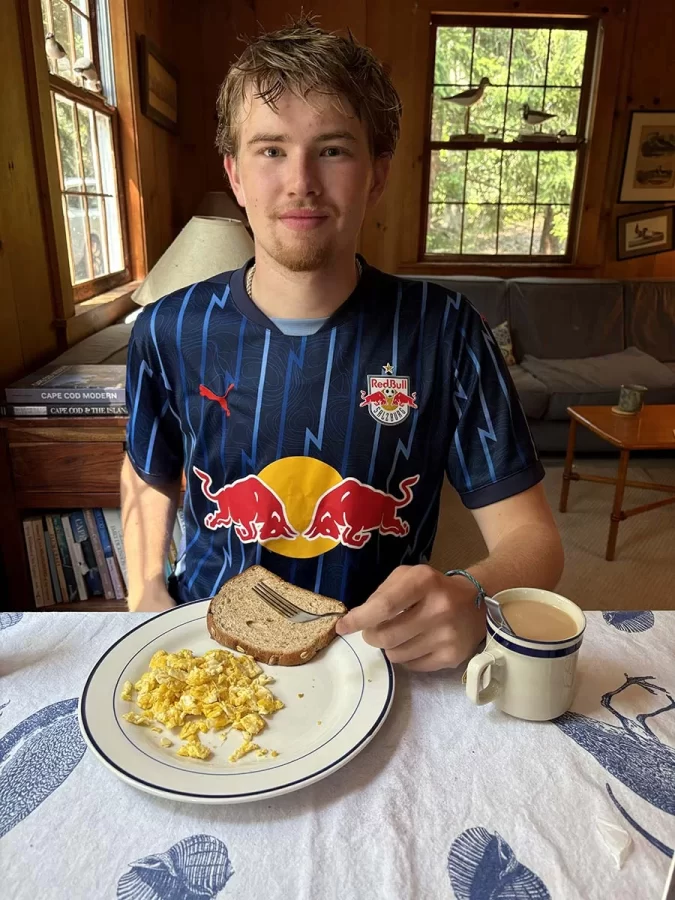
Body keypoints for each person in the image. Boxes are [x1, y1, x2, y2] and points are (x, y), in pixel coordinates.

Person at [121, 16, 563, 672]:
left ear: (377, 174)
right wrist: (144, 584)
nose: (300, 180)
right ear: (235, 175)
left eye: (332, 149)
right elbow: (147, 473)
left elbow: (534, 541)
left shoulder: (446, 332)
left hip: (384, 655)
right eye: (270, 150)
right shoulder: (167, 329)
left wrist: (471, 593)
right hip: (211, 643)